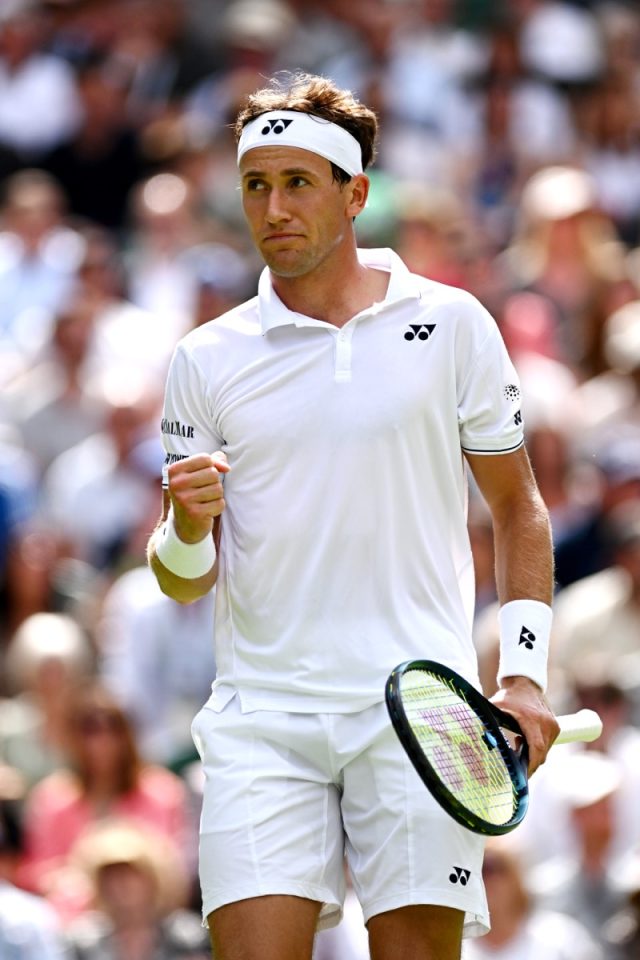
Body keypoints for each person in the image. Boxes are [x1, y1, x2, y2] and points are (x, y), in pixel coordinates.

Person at [147, 71, 558, 960]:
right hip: (263, 720)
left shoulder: (453, 324)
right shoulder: (203, 359)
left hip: (420, 715)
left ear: (355, 194)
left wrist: (523, 677)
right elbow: (184, 577)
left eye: (298, 183)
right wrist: (183, 527)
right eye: (257, 185)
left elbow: (517, 509)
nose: (273, 207)